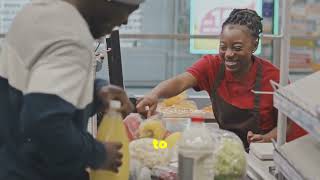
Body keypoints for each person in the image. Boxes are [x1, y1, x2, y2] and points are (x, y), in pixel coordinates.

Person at [0, 0, 144, 179]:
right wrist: (98, 154)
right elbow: (46, 124)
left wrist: (96, 91)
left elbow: (32, 92)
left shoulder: (34, 12)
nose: (125, 22)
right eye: (128, 11)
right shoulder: (72, 37)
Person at [136, 9, 307, 149]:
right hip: (231, 150)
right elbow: (181, 81)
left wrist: (266, 138)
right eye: (223, 47)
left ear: (254, 45)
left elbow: (289, 124)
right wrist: (154, 94)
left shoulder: (274, 77)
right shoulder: (212, 66)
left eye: (237, 48)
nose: (229, 54)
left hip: (270, 153)